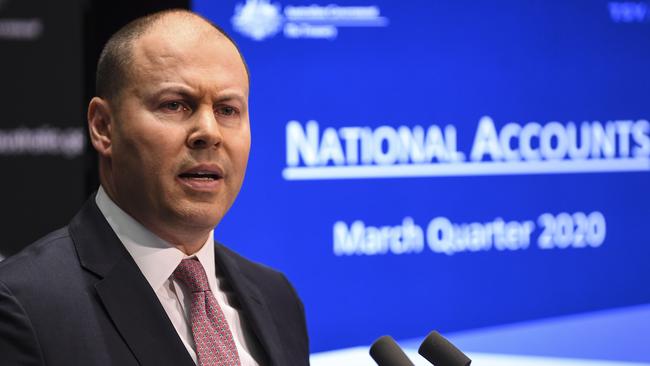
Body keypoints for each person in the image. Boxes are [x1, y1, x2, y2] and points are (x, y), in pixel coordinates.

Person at [0, 9, 309, 366]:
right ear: (103, 127)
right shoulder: (22, 307)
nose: (209, 132)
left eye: (227, 110)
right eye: (175, 105)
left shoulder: (277, 298)